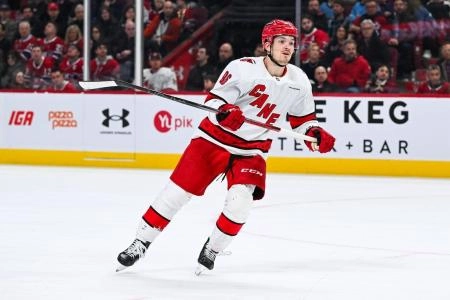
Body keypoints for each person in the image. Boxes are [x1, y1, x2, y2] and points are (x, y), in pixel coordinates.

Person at [116, 19, 335, 275]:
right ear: (267, 44)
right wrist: (225, 112)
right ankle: (140, 242)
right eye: (282, 41)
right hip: (213, 141)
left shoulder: (299, 80)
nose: (288, 47)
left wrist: (314, 132)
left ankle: (213, 249)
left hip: (251, 151)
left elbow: (302, 120)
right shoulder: (242, 68)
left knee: (240, 204)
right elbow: (216, 102)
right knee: (176, 194)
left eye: (291, 43)